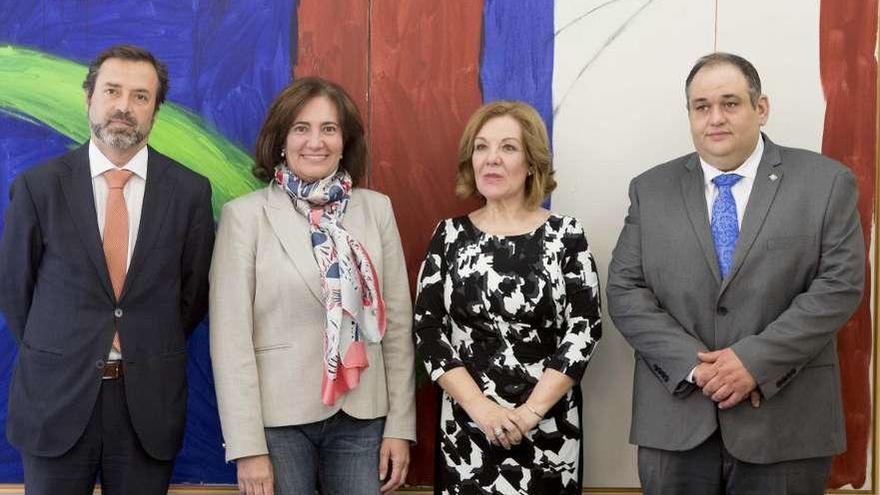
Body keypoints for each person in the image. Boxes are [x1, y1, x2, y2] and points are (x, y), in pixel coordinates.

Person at [606, 52, 865, 494]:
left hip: (786, 424)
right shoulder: (650, 190)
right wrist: (697, 367)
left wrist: (754, 361)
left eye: (731, 103)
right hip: (676, 423)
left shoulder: (826, 184)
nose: (715, 118)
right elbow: (625, 291)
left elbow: (839, 287)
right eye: (701, 106)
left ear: (760, 108)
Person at [0, 44, 215, 494]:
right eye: (112, 91)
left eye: (140, 96)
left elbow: (191, 298)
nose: (124, 106)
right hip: (55, 402)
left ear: (156, 111)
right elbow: (17, 295)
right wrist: (68, 347)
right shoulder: (38, 188)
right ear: (88, 98)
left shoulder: (190, 193)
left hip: (146, 408)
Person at [210, 76, 416, 495]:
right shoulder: (244, 218)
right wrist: (247, 447)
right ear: (281, 141)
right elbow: (230, 341)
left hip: (363, 415)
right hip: (278, 423)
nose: (315, 142)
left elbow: (396, 327)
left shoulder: (376, 211)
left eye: (329, 129)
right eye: (301, 128)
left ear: (345, 141)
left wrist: (400, 426)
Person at [413, 100, 601, 494]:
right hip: (467, 431)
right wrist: (482, 411)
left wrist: (530, 413)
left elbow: (585, 330)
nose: (491, 159)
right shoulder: (448, 236)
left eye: (508, 148)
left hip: (549, 430)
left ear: (532, 163)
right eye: (481, 147)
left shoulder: (566, 235)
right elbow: (428, 332)